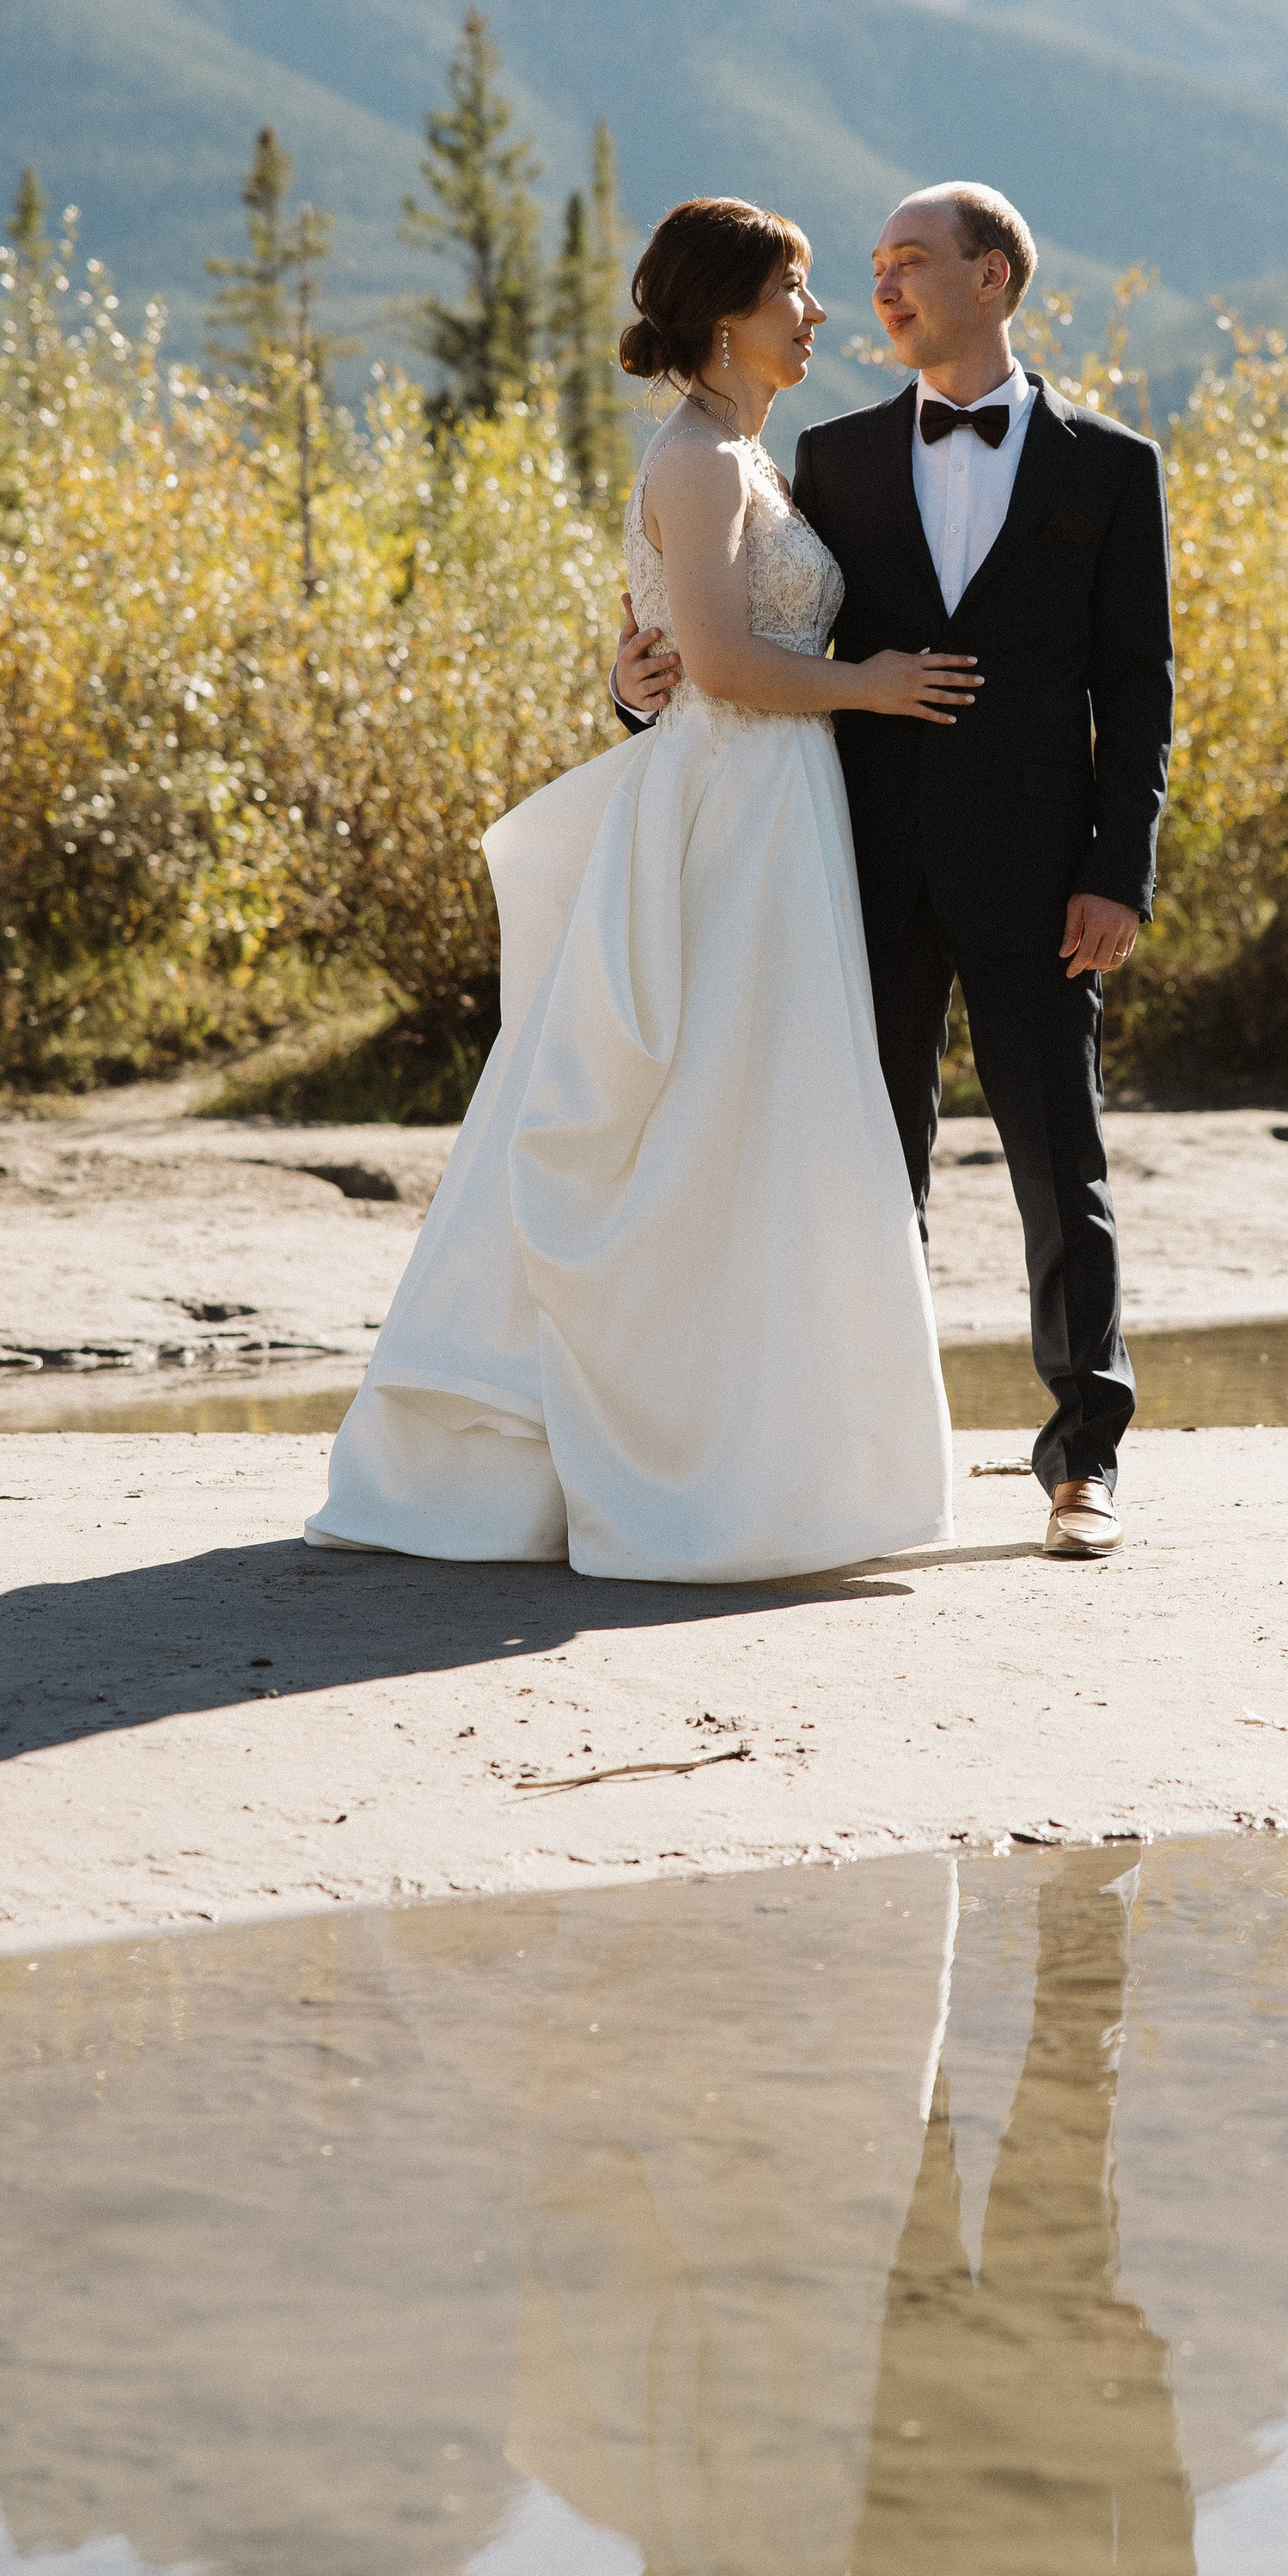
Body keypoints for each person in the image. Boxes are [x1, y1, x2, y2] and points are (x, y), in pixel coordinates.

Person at [306, 198, 965, 1583]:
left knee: (748, 1123)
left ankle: (756, 1449)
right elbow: (722, 667)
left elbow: (676, 641)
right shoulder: (700, 461)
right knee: (706, 1114)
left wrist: (638, 668)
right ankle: (680, 1463)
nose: (820, 313)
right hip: (735, 809)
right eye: (797, 288)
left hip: (770, 806)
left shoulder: (737, 455)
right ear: (732, 312)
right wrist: (873, 686)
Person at [616, 183, 1173, 1558]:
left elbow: (1139, 694)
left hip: (1045, 878)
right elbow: (745, 636)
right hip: (847, 865)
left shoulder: (1112, 468)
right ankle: (868, 1457)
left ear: (993, 277)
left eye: (910, 263)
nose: (882, 289)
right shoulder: (832, 455)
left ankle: (1083, 1461)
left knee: (1063, 1162)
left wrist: (1118, 870)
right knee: (867, 1168)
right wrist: (637, 693)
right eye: (869, 268)